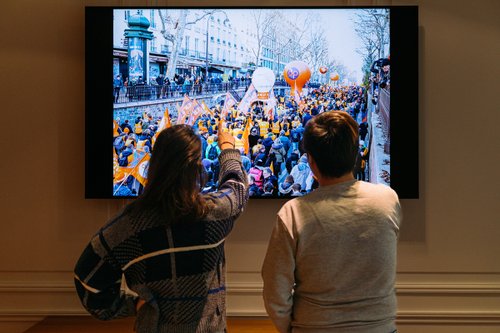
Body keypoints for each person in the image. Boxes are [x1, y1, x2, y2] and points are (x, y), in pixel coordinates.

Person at [74, 125, 249, 333]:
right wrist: (228, 147)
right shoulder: (214, 215)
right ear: (196, 168)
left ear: (155, 164)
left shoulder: (129, 225)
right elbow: (236, 187)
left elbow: (87, 281)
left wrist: (131, 305)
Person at [262, 111, 402, 333]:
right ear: (357, 154)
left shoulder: (292, 213)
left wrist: (295, 328)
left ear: (311, 162)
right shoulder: (387, 199)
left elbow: (275, 291)